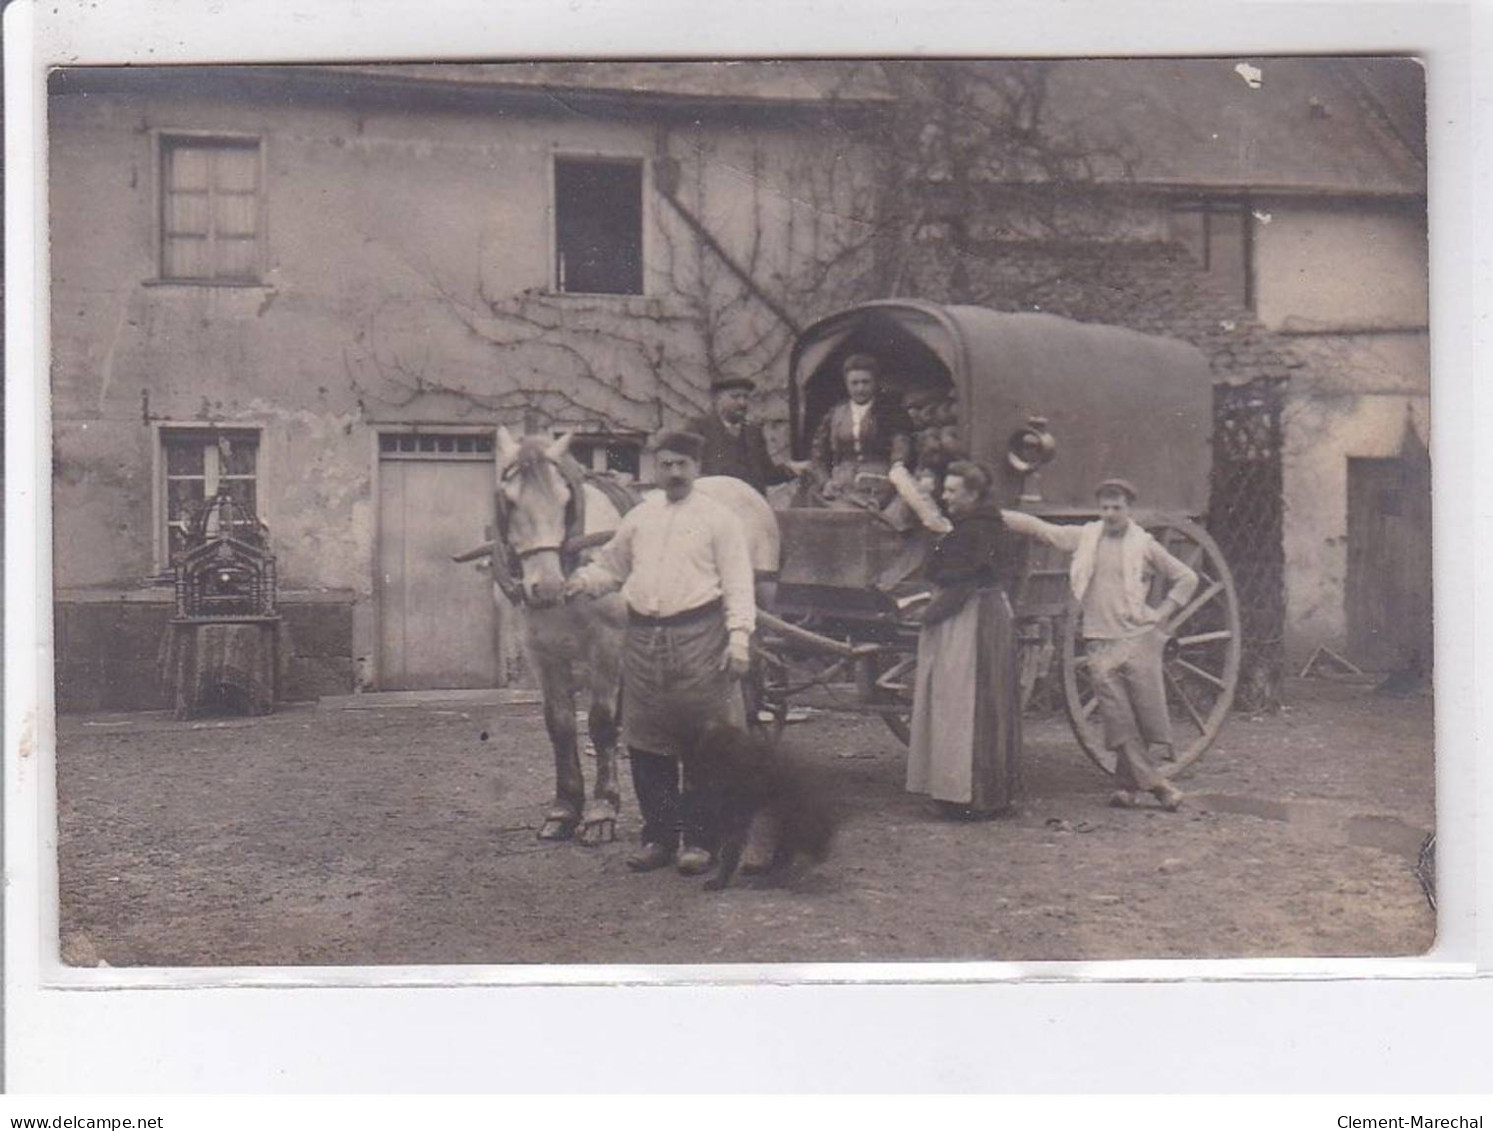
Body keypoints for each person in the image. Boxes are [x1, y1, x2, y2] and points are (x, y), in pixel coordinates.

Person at [563, 430, 756, 876]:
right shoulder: (641, 517)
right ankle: (659, 837)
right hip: (645, 641)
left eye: (682, 464)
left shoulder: (719, 519)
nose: (673, 472)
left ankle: (699, 841)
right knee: (648, 743)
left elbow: (739, 583)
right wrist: (583, 582)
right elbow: (611, 566)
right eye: (666, 464)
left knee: (703, 743)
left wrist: (740, 638)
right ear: (655, 467)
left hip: (699, 637)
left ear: (696, 468)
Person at [1002, 478, 1197, 811]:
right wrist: (995, 514)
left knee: (1143, 715)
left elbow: (1186, 577)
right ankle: (1159, 786)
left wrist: (1161, 612)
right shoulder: (1087, 538)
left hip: (1137, 640)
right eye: (1104, 507)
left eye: (1116, 507)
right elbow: (1044, 530)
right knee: (1117, 717)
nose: (1109, 514)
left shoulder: (1144, 544)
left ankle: (1126, 786)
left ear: (1128, 509)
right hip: (1100, 643)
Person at [904, 460, 1022, 817]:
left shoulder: (976, 533)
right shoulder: (970, 528)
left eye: (953, 491)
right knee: (969, 704)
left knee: (965, 704)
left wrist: (927, 616)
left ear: (973, 495)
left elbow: (962, 585)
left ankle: (970, 796)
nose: (945, 496)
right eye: (946, 489)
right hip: (974, 615)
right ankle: (978, 793)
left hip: (973, 620)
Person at [808, 353, 915, 505]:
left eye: (866, 382)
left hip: (879, 485)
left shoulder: (889, 411)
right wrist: (825, 482)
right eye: (854, 383)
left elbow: (901, 443)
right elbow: (817, 455)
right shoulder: (835, 413)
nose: (860, 388)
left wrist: (897, 467)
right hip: (841, 486)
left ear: (875, 382)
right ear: (846, 384)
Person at [685, 376, 809, 495]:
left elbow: (767, 474)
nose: (742, 403)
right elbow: (689, 472)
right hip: (716, 505)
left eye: (745, 397)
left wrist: (792, 470)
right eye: (735, 397)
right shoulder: (699, 428)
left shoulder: (753, 432)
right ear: (717, 399)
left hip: (750, 505)